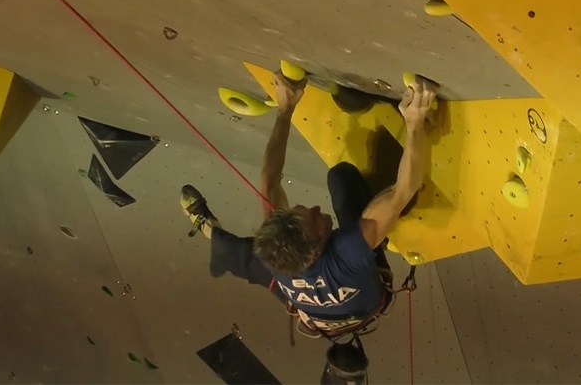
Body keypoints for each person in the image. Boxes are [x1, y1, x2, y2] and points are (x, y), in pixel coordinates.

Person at [179, 70, 436, 337]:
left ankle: (209, 228)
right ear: (318, 250)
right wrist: (415, 121)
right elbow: (404, 189)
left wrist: (285, 108)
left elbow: (270, 182)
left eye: (304, 210)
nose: (315, 208)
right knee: (342, 179)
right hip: (364, 300)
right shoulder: (347, 253)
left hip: (311, 301)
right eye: (316, 219)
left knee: (241, 253)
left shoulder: (274, 250)